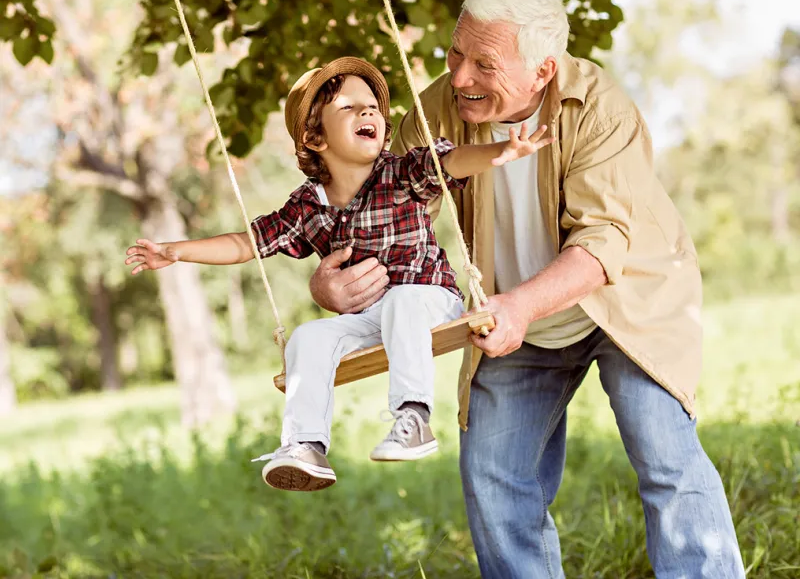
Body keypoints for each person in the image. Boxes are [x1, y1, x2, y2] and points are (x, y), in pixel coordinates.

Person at [307, 0, 747, 577]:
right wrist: (331, 285)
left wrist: (519, 306)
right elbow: (375, 214)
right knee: (493, 476)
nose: (460, 77)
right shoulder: (436, 112)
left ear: (543, 70)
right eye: (455, 53)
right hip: (512, 317)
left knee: (665, 456)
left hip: (626, 301)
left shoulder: (599, 107)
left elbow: (601, 244)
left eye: (484, 64)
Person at [124, 56, 554, 493]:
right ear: (315, 137)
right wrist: (177, 252)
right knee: (308, 338)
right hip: (373, 317)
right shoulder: (307, 207)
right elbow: (247, 243)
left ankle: (413, 417)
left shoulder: (403, 172)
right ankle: (305, 445)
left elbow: (456, 161)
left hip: (428, 300)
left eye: (372, 107)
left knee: (404, 301)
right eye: (348, 108)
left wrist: (502, 152)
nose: (368, 113)